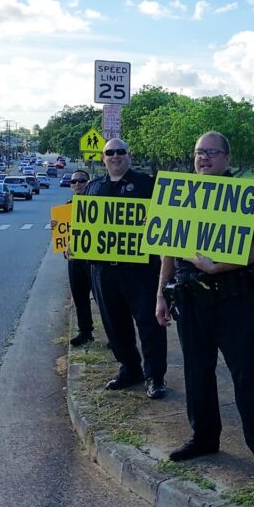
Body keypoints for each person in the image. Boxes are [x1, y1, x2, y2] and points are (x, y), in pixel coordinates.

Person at [155, 131, 254, 479]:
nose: (204, 158)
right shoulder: (180, 195)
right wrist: (160, 294)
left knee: (248, 375)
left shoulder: (246, 196)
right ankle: (204, 437)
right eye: (198, 153)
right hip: (190, 300)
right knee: (197, 374)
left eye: (212, 152)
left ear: (227, 158)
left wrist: (217, 267)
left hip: (232, 301)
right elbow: (168, 246)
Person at [84, 138, 168, 399]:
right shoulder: (93, 187)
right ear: (103, 157)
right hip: (103, 271)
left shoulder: (148, 185)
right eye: (110, 152)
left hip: (140, 270)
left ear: (129, 156)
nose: (115, 156)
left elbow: (165, 221)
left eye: (121, 151)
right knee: (114, 324)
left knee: (149, 324)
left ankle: (155, 376)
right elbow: (83, 226)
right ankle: (130, 369)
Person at [52, 169, 94, 346]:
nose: (77, 184)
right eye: (74, 182)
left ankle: (115, 335)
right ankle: (85, 332)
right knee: (79, 296)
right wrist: (56, 228)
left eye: (81, 180)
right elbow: (65, 233)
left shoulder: (98, 204)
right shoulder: (68, 206)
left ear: (88, 182)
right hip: (75, 259)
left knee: (106, 300)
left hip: (96, 259)